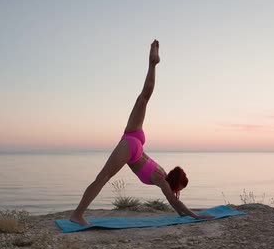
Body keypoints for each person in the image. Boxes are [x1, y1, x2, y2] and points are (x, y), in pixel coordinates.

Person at [69, 40, 214, 226]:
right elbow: (174, 202)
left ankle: (152, 64)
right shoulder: (162, 181)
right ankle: (77, 214)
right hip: (132, 147)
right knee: (102, 178)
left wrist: (185, 213)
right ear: (176, 184)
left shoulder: (162, 172)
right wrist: (195, 216)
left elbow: (176, 205)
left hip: (136, 141)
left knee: (144, 97)